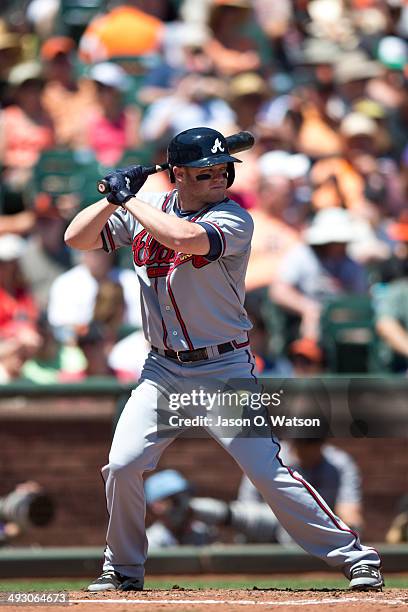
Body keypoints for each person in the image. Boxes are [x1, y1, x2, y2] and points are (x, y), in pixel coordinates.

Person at [64, 126, 383, 592]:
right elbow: (76, 238)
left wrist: (129, 199)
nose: (217, 178)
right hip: (162, 370)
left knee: (266, 471)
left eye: (222, 171)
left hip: (222, 370)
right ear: (178, 176)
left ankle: (354, 556)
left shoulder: (234, 219)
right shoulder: (145, 212)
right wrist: (112, 199)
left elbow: (186, 239)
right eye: (205, 172)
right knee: (123, 464)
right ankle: (124, 568)